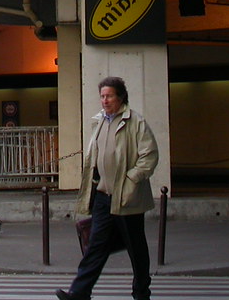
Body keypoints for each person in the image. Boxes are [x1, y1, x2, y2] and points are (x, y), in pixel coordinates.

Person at [56, 77, 158, 300]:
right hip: (103, 196)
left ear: (120, 97)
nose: (105, 100)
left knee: (136, 248)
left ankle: (142, 293)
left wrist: (132, 179)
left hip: (127, 196)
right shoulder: (99, 121)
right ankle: (79, 292)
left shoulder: (136, 123)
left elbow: (149, 156)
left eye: (109, 96)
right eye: (102, 96)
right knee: (95, 246)